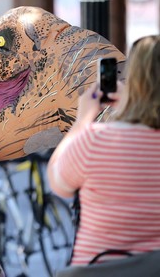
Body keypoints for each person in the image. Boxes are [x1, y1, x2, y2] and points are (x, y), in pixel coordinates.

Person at [47, 35, 160, 266]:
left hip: (102, 267)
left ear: (134, 80)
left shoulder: (94, 140)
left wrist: (82, 120)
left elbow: (58, 183)